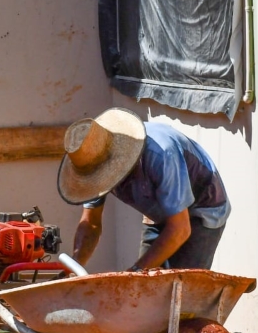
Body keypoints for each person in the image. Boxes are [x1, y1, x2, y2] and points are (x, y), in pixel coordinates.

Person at [58, 108, 230, 271]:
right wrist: (74, 267)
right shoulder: (92, 158)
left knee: (182, 290)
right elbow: (91, 224)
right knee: (143, 289)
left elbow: (180, 229)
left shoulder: (161, 154)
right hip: (158, 210)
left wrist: (137, 270)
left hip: (202, 209)